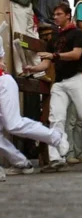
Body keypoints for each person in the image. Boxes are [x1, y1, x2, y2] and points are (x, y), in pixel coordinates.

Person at [24, 3, 82, 172]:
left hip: (76, 78)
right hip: (59, 83)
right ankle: (56, 158)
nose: (55, 17)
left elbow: (76, 54)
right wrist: (33, 68)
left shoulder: (78, 34)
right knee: (55, 118)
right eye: (54, 14)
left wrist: (54, 55)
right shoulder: (53, 39)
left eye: (59, 14)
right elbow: (46, 63)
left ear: (68, 15)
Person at [0, 34, 69, 178]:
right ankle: (21, 163)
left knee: (13, 124)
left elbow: (1, 61)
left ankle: (57, 137)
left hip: (3, 83)